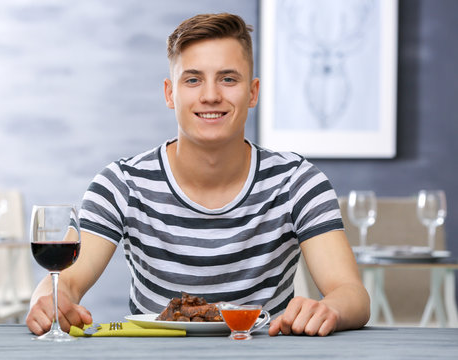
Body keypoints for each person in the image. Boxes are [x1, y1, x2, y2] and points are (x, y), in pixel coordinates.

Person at [26, 13, 370, 337]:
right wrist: (49, 302)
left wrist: (329, 310)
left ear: (252, 93)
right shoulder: (122, 184)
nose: (210, 96)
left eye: (228, 79)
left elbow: (350, 293)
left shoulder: (298, 182)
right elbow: (66, 284)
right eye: (193, 80)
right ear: (170, 93)